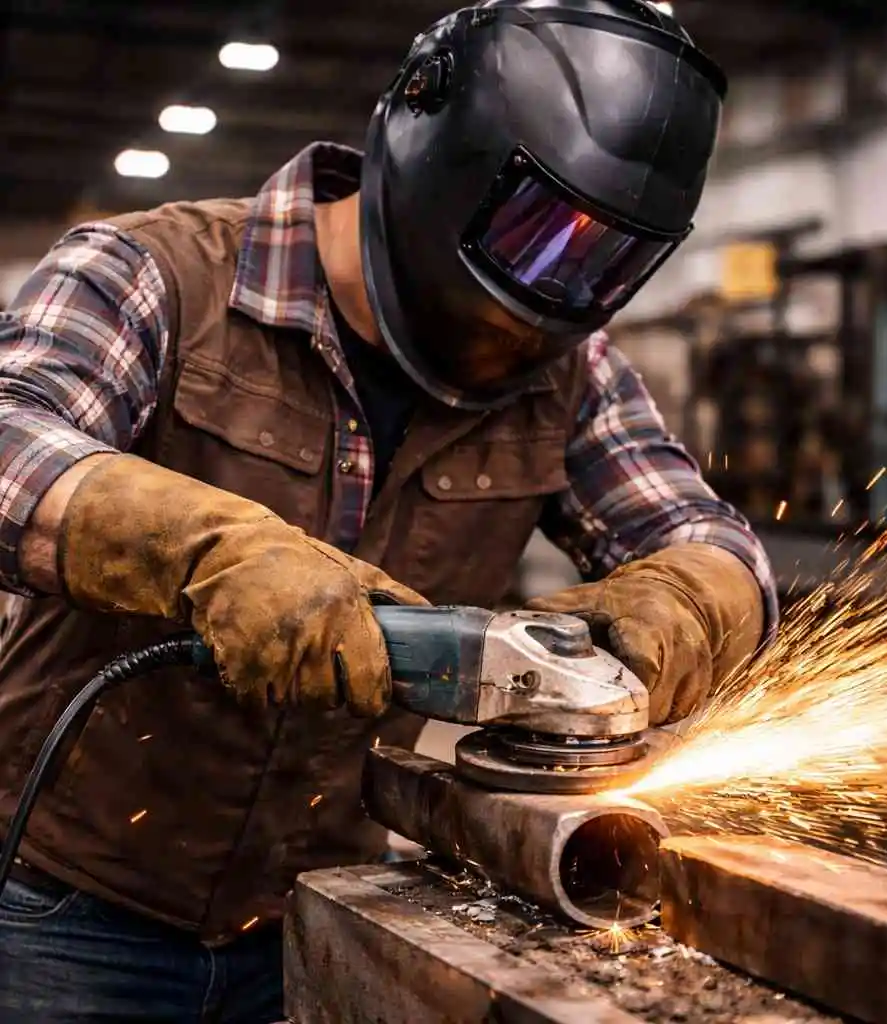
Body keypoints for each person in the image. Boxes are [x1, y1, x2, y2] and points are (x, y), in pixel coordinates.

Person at [0, 1, 778, 1019]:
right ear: (435, 147)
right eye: (538, 235)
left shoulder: (571, 379)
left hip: (333, 911)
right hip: (69, 915)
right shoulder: (156, 272)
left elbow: (714, 545)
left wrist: (691, 596)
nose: (560, 286)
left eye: (608, 262)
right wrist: (210, 554)